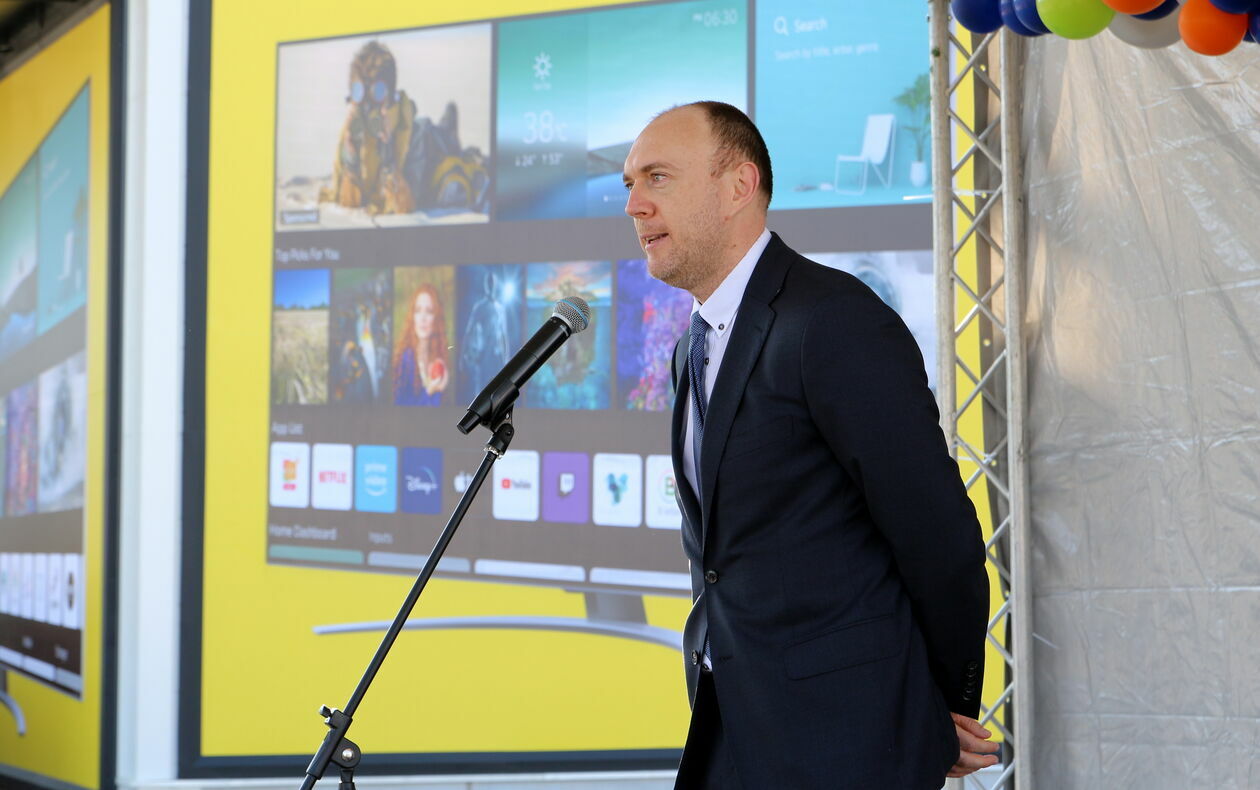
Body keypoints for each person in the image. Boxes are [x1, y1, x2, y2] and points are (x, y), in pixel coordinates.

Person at [622, 101, 998, 789]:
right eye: (630, 184)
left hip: (848, 744)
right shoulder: (688, 351)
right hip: (734, 732)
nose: (635, 205)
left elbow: (938, 536)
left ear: (739, 186)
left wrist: (932, 706)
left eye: (658, 177)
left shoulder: (832, 320)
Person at [392, 283, 450, 406]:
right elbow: (401, 408)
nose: (423, 318)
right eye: (418, 311)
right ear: (412, 317)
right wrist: (430, 391)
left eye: (429, 311)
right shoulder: (405, 359)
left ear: (436, 318)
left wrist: (439, 389)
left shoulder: (436, 358)